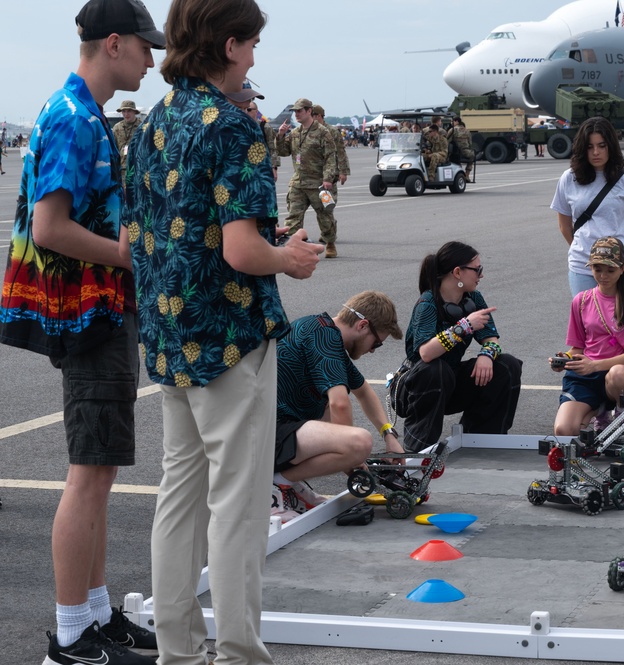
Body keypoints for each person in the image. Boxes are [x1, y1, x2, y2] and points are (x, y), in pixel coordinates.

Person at [124, 1, 322, 663]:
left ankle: (175, 650)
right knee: (236, 507)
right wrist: (289, 258)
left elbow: (133, 237)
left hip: (168, 335)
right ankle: (238, 651)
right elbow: (243, 249)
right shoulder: (233, 126)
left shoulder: (151, 123)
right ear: (231, 44)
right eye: (253, 44)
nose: (257, 57)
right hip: (231, 337)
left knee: (178, 499)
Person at [0, 1, 164, 663]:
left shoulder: (85, 113)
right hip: (86, 312)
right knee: (88, 474)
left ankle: (96, 616)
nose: (153, 61)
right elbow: (48, 227)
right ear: (115, 44)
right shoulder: (72, 117)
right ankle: (71, 635)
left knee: (99, 470)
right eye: (146, 48)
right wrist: (130, 254)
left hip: (100, 309)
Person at [270, 291, 405, 521]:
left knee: (328, 412)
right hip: (270, 435)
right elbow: (340, 404)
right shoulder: (324, 338)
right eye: (378, 343)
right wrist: (352, 458)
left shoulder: (323, 332)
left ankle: (285, 482)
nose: (373, 349)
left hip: (276, 431)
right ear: (363, 326)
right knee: (359, 442)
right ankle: (275, 486)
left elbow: (364, 392)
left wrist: (389, 434)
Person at [391, 241, 522, 452]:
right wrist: (464, 326)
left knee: (507, 365)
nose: (481, 275)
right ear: (458, 272)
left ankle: (482, 441)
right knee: (436, 369)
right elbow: (425, 353)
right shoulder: (428, 303)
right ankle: (420, 451)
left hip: (450, 382)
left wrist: (486, 355)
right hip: (419, 385)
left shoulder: (473, 298)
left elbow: (492, 339)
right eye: (477, 270)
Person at [551, 237, 624, 436]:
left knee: (618, 373)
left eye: (610, 270)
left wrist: (594, 365)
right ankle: (600, 410)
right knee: (564, 430)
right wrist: (565, 360)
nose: (603, 276)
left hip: (620, 372)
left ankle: (623, 417)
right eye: (597, 269)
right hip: (587, 374)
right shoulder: (581, 300)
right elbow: (578, 347)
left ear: (622, 269)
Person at [552, 116, 624, 296]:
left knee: (618, 322)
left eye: (602, 146)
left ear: (611, 146)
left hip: (618, 267)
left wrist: (611, 252)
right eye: (590, 147)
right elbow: (564, 226)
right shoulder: (569, 178)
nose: (596, 152)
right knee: (586, 322)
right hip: (582, 266)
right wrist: (586, 251)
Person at [276, 97, 341, 258]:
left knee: (325, 217)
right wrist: (281, 136)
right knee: (293, 216)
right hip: (298, 182)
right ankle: (292, 246)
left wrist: (327, 178)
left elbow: (330, 157)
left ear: (309, 111)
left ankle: (330, 243)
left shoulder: (322, 132)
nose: (296, 114)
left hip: (318, 183)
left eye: (299, 111)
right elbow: (283, 151)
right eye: (295, 111)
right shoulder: (296, 133)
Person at [227, 78, 281, 182]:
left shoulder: (256, 128)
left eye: (247, 108)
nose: (245, 112)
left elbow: (271, 149)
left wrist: (273, 168)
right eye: (240, 107)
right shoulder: (219, 129)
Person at [310, 104, 351, 237]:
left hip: (330, 175)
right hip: (313, 174)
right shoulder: (309, 130)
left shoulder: (332, 131)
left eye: (313, 115)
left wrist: (343, 172)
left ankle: (328, 234)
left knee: (327, 205)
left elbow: (341, 152)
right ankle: (328, 231)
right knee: (320, 207)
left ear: (319, 116)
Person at [112, 99, 140, 184]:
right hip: (121, 168)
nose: (126, 114)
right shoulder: (117, 127)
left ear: (134, 112)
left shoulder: (141, 127)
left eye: (129, 111)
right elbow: (113, 148)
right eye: (124, 111)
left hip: (137, 168)